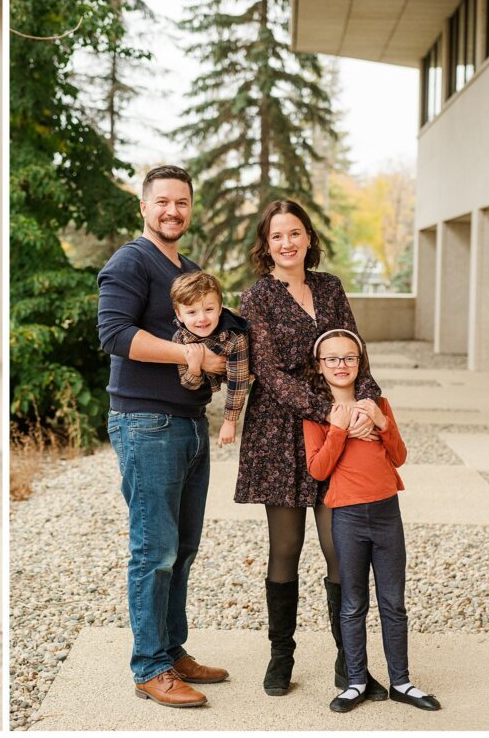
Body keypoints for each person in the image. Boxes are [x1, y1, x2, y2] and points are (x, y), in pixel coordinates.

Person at [233, 200, 388, 700]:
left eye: (294, 233)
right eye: (277, 235)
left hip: (335, 431)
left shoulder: (329, 287)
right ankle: (282, 655)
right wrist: (328, 412)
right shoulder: (255, 297)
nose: (287, 243)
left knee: (338, 547)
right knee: (286, 547)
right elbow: (271, 373)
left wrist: (368, 402)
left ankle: (351, 658)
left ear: (307, 238)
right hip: (279, 431)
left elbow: (354, 349)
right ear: (266, 244)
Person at [97, 166, 229, 708]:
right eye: (163, 202)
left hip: (190, 425)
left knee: (184, 548)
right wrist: (189, 354)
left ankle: (173, 651)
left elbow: (218, 329)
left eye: (182, 203)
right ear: (144, 208)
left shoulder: (190, 271)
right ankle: (149, 667)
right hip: (146, 422)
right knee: (154, 550)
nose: (173, 211)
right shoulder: (130, 261)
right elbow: (114, 334)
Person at [303, 329, 441, 713]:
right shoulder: (318, 415)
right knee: (352, 604)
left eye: (349, 357)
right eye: (332, 359)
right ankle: (356, 680)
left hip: (386, 515)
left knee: (393, 603)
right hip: (346, 516)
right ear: (320, 366)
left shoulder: (379, 403)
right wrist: (339, 429)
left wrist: (381, 421)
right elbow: (317, 469)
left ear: (359, 362)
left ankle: (401, 681)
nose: (341, 365)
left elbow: (398, 456)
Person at [169, 271, 250, 447]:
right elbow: (189, 384)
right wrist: (194, 367)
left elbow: (238, 382)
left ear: (220, 309)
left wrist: (229, 422)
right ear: (179, 315)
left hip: (240, 371)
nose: (202, 318)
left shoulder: (235, 337)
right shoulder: (179, 339)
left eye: (209, 309)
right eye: (191, 312)